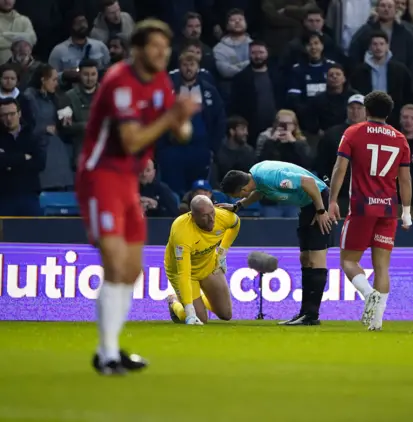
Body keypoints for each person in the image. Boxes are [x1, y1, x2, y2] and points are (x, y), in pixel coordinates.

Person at [74, 19, 200, 375]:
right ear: (137, 49)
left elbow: (182, 132)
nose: (162, 53)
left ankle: (109, 352)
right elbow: (131, 140)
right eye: (155, 47)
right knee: (115, 263)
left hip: (128, 181)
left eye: (166, 48)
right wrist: (172, 118)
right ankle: (108, 354)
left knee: (131, 270)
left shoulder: (161, 82)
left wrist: (182, 120)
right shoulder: (120, 82)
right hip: (101, 177)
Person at [327, 91, 412, 331]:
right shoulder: (400, 138)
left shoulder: (353, 132)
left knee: (348, 260)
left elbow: (339, 169)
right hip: (388, 209)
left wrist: (333, 200)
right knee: (383, 266)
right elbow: (405, 180)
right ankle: (376, 322)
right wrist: (406, 212)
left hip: (362, 207)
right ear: (389, 112)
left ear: (366, 109)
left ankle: (368, 294)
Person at [219, 161, 334, 326]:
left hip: (318, 200)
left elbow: (309, 182)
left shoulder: (270, 177)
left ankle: (311, 315)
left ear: (243, 189)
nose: (239, 198)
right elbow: (259, 192)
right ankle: (305, 313)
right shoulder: (256, 178)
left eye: (237, 196)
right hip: (308, 205)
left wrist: (322, 211)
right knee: (305, 258)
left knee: (316, 258)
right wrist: (238, 206)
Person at [164, 195, 239, 324]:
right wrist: (189, 311)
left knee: (226, 314)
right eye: (205, 216)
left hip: (208, 264)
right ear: (193, 217)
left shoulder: (221, 216)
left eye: (212, 213)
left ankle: (198, 301)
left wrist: (222, 252)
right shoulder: (182, 232)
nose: (212, 220)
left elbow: (236, 223)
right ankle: (174, 302)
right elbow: (184, 274)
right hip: (183, 272)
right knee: (200, 319)